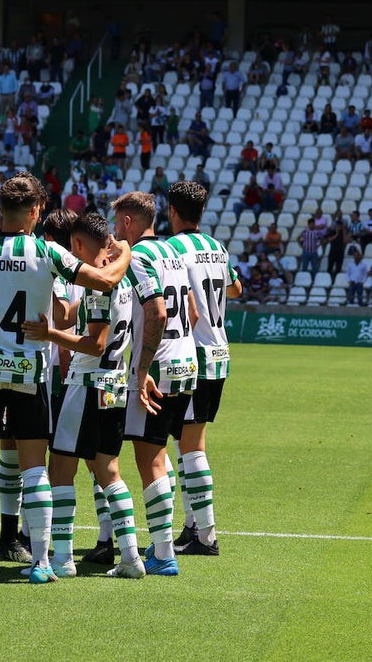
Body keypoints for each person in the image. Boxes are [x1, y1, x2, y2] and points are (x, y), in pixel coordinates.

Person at [0, 175, 132, 584]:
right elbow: (106, 280)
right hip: (30, 373)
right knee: (34, 470)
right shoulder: (47, 251)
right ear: (36, 211)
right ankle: (41, 563)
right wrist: (125, 249)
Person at [20, 212, 145, 579]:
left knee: (60, 467)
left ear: (76, 245)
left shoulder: (97, 286)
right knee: (108, 471)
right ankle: (131, 557)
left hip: (86, 385)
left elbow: (95, 343)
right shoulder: (119, 280)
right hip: (114, 385)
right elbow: (78, 316)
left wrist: (50, 336)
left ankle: (62, 558)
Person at [112, 190, 199, 577]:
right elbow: (192, 311)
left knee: (149, 459)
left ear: (129, 222)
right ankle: (162, 546)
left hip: (158, 369)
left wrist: (142, 368)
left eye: (117, 223)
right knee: (159, 455)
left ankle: (163, 553)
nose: (115, 230)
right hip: (187, 362)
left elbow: (157, 311)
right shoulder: (173, 252)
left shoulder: (140, 256)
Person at [166, 181, 242, 556]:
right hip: (220, 353)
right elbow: (236, 289)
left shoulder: (173, 248)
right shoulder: (218, 247)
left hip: (191, 353)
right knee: (187, 442)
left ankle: (206, 536)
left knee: (190, 445)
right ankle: (192, 524)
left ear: (172, 211)